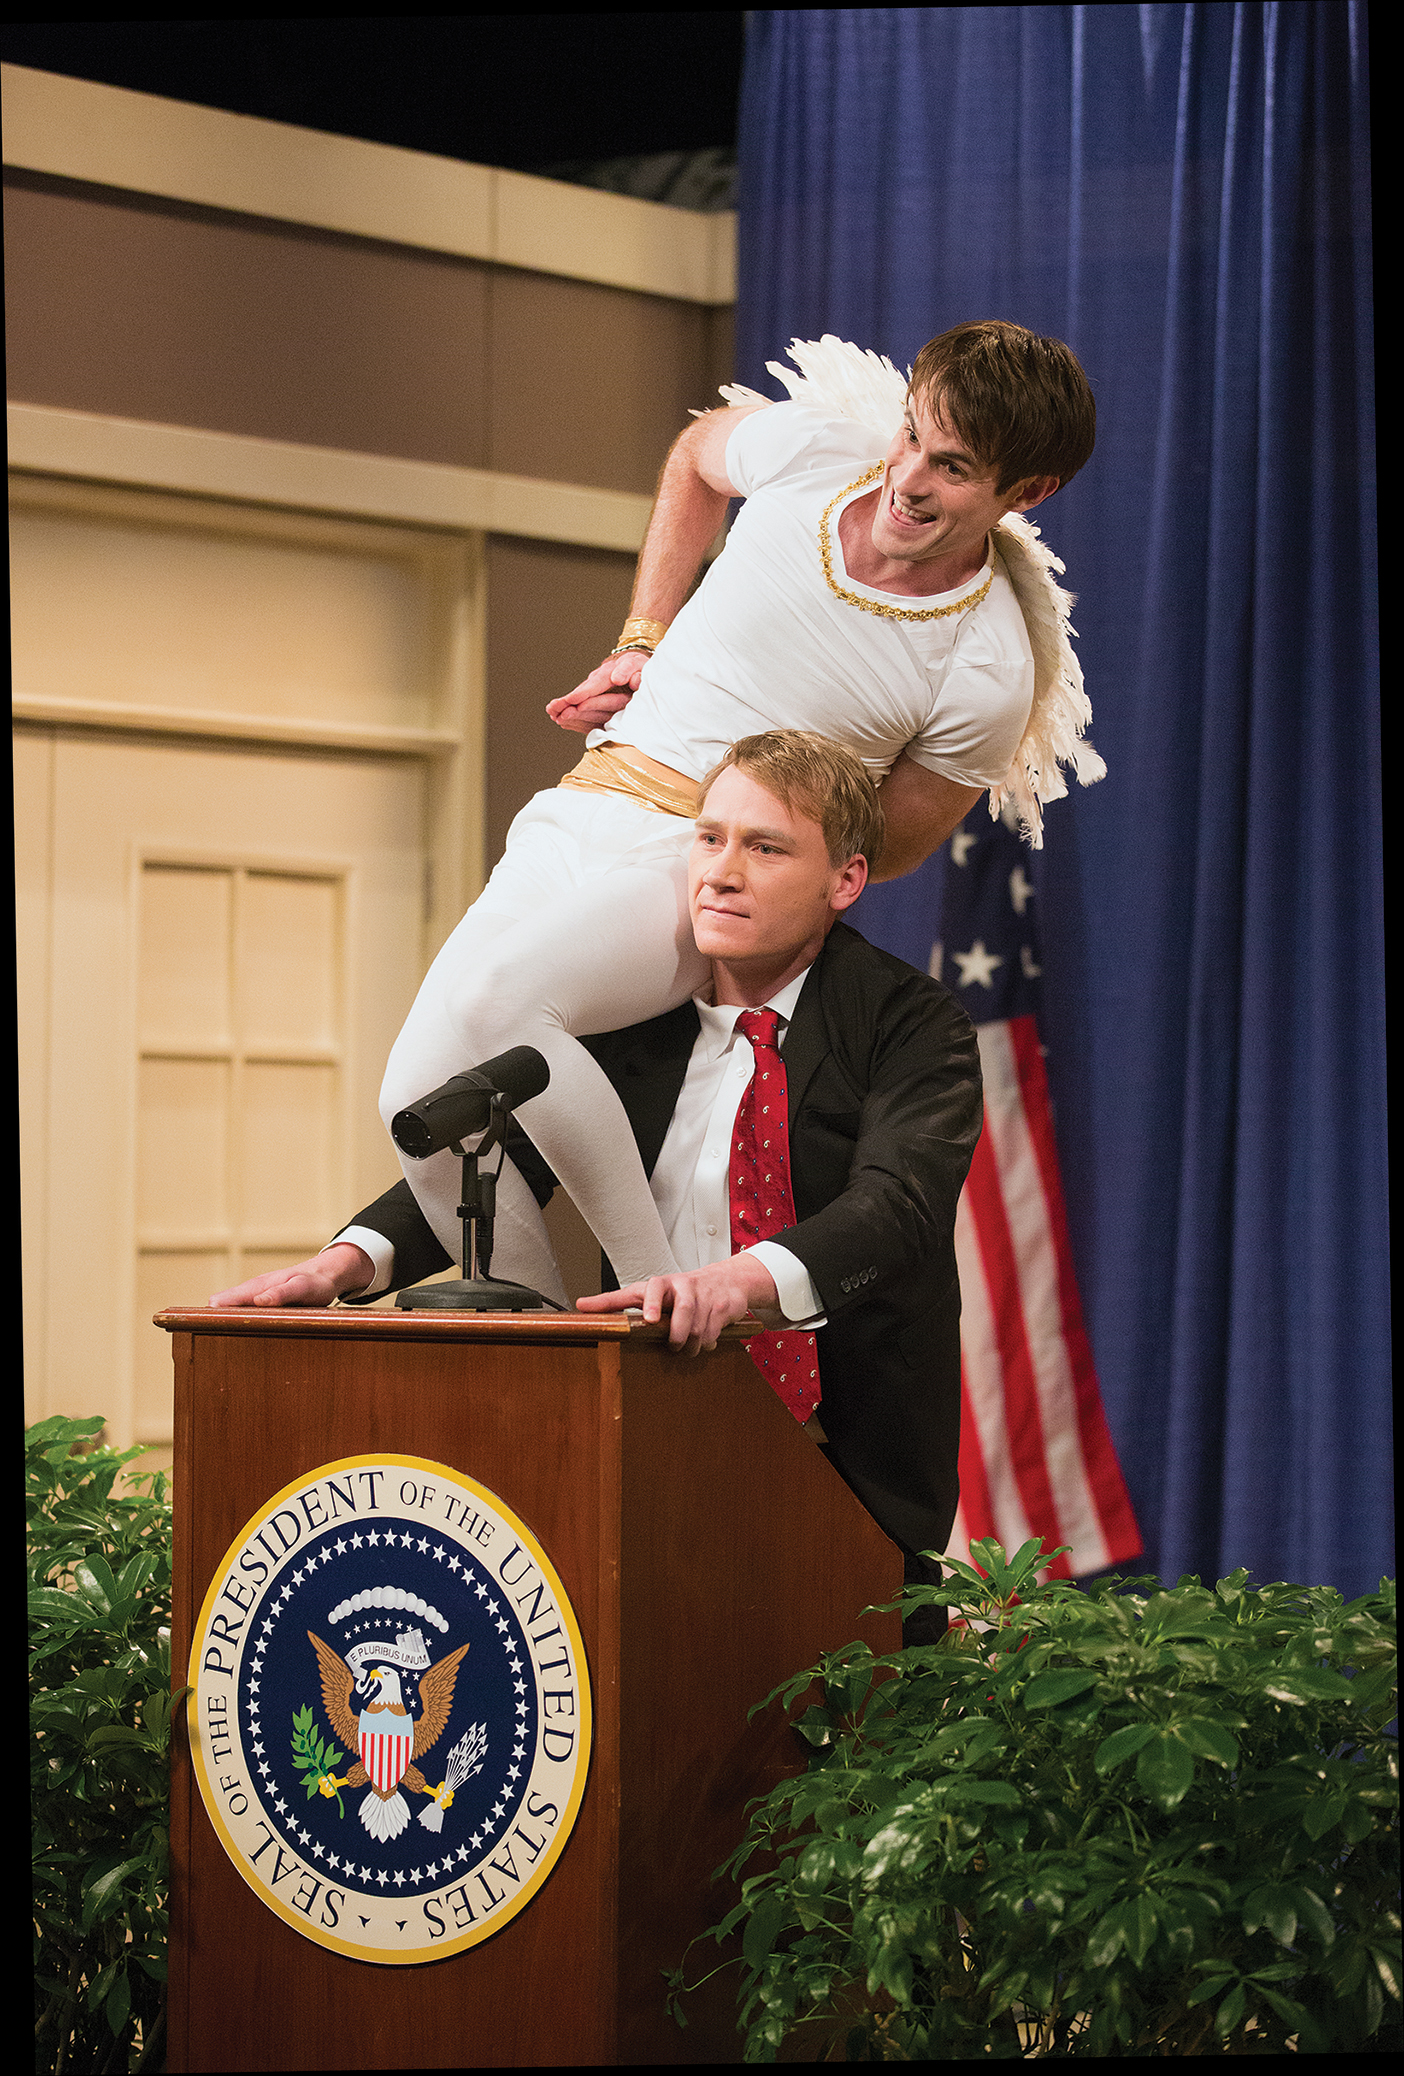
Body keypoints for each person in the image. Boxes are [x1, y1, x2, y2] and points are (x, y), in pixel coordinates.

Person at [380, 323, 1098, 1304]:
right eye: (911, 436)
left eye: (954, 468)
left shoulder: (988, 667)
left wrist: (760, 811)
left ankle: (658, 1308)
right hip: (581, 803)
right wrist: (643, 639)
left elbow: (877, 850)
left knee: (500, 1003)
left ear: (1027, 494)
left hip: (700, 861)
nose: (909, 477)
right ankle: (547, 1355)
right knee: (414, 1104)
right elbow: (694, 460)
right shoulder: (815, 451)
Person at [212, 733, 983, 1631]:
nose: (720, 874)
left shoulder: (910, 1021)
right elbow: (498, 1155)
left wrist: (736, 1283)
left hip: (851, 1459)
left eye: (765, 848)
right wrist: (349, 1263)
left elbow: (898, 1205)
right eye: (709, 838)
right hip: (654, 1436)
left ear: (845, 880)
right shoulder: (626, 1024)